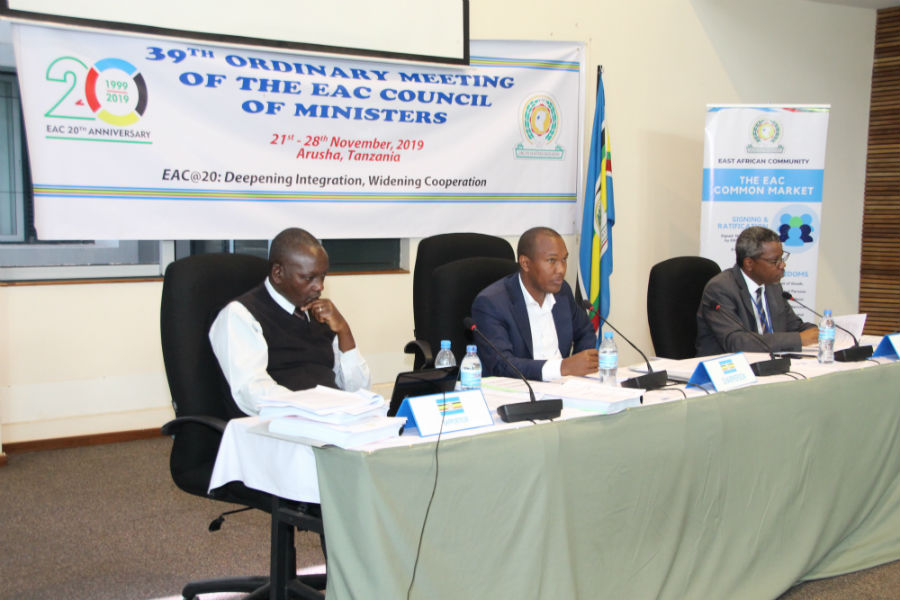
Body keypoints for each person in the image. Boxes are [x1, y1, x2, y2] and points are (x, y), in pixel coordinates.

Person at [209, 227, 370, 415]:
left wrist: (344, 331)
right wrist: (313, 408)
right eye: (308, 278)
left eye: (322, 276)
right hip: (278, 427)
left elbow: (359, 391)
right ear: (278, 273)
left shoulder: (320, 315)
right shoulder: (241, 315)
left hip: (330, 420)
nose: (319, 286)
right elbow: (253, 393)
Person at [471, 226, 598, 381]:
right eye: (552, 260)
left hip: (566, 387)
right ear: (525, 263)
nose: (561, 270)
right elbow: (502, 364)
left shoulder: (562, 291)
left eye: (564, 259)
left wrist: (580, 369)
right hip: (521, 392)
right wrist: (563, 367)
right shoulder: (492, 303)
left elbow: (585, 331)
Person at [695, 225, 817, 356]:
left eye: (782, 258)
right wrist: (799, 339)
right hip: (727, 368)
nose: (782, 265)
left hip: (768, 365)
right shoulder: (720, 288)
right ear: (749, 263)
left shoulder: (772, 286)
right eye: (774, 261)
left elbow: (794, 326)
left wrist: (820, 333)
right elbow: (736, 342)